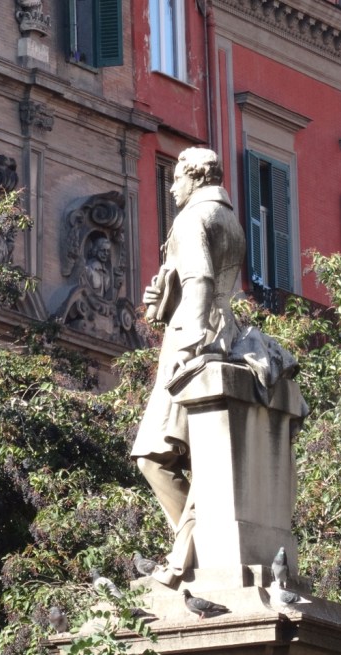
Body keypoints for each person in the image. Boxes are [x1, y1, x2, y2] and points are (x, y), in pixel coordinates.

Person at [130, 147, 246, 585]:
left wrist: (190, 338)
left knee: (151, 455)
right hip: (223, 333)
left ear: (194, 177)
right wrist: (166, 298)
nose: (172, 187)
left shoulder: (192, 218)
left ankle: (189, 552)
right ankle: (189, 553)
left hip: (189, 342)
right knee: (204, 455)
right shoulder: (228, 218)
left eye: (176, 178)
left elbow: (200, 278)